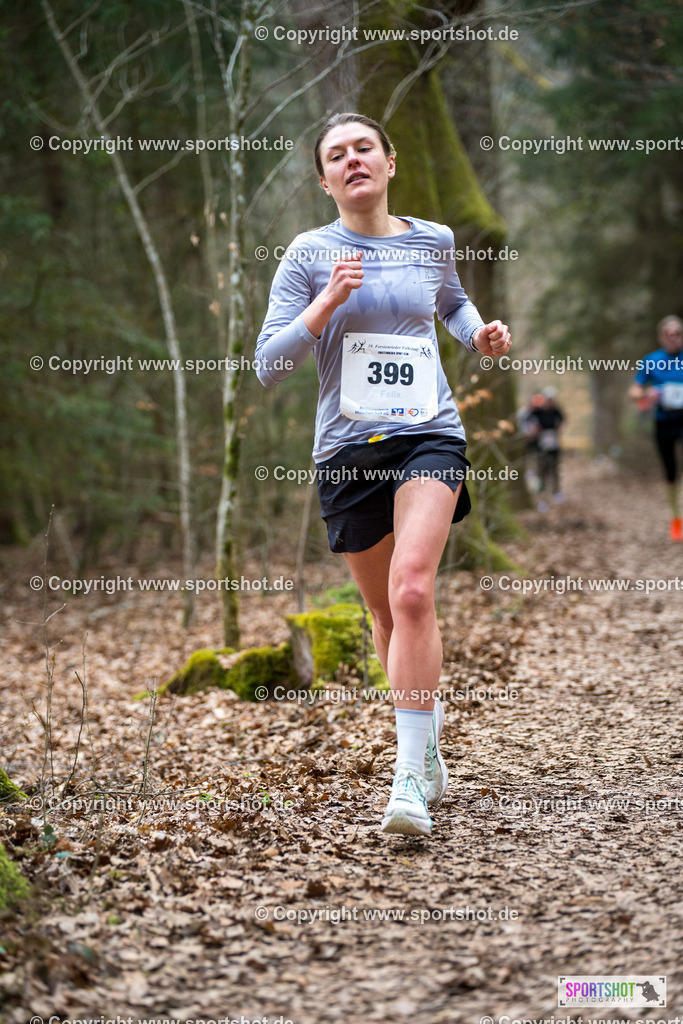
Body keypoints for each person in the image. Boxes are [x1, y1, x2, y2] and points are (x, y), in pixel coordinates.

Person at [255, 112, 511, 837]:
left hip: (428, 434)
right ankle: (426, 748)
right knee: (381, 612)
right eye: (336, 155)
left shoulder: (432, 241)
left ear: (390, 162)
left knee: (412, 588)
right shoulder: (308, 253)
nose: (352, 160)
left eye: (363, 147)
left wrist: (478, 332)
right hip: (346, 450)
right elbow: (268, 364)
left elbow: (452, 304)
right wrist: (325, 303)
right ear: (324, 178)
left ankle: (406, 779)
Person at [629, 315, 683, 541]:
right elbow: (634, 392)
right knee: (670, 472)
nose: (674, 338)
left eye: (678, 333)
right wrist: (646, 394)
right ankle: (676, 520)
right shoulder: (652, 360)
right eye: (669, 334)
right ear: (661, 337)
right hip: (663, 421)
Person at [526, 387, 564, 506]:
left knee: (554, 468)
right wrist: (534, 430)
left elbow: (562, 420)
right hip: (541, 445)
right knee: (542, 468)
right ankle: (541, 492)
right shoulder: (538, 411)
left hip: (553, 444)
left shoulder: (556, 411)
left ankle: (556, 491)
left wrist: (558, 428)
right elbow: (528, 418)